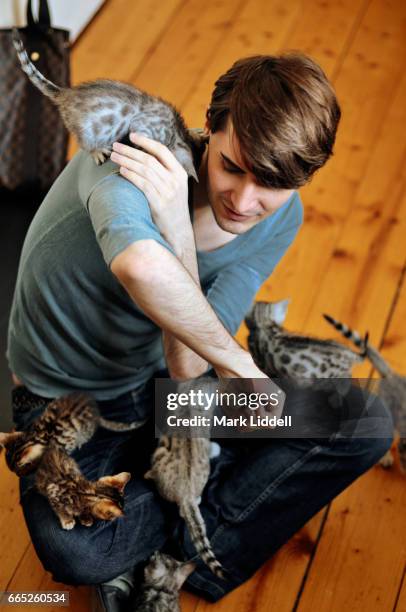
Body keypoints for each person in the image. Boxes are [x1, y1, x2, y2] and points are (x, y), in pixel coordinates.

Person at [6, 54, 392, 611]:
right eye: (233, 167)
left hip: (169, 388)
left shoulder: (281, 217)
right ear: (209, 128)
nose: (244, 201)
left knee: (367, 422)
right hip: (68, 408)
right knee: (75, 551)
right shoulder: (130, 164)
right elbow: (140, 267)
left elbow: (185, 372)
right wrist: (242, 368)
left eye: (273, 184)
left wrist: (180, 241)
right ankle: (213, 503)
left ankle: (167, 552)